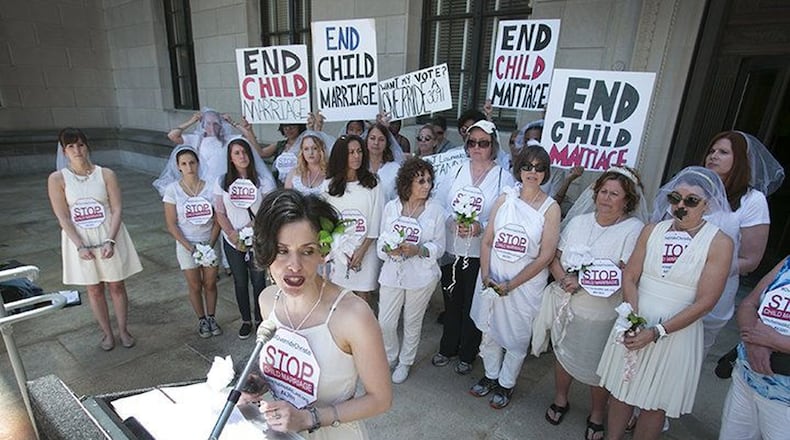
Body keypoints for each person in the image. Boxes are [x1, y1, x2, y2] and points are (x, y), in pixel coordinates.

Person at [596, 166, 734, 440]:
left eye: (691, 200)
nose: (680, 206)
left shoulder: (719, 242)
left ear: (707, 205)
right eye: (675, 198)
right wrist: (633, 318)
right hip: (637, 323)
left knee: (655, 402)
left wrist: (657, 331)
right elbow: (631, 275)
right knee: (621, 390)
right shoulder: (652, 230)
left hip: (676, 334)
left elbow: (706, 301)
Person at [253, 189, 392, 439]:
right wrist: (258, 383)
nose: (294, 265)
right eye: (282, 250)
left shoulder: (353, 316)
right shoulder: (267, 300)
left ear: (323, 252)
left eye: (307, 251)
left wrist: (309, 418)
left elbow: (380, 400)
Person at [533, 167, 646, 440]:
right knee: (564, 355)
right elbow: (555, 256)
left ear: (627, 200)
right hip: (569, 304)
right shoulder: (579, 222)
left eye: (614, 194)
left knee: (600, 366)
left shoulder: (634, 229)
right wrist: (563, 280)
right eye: (603, 192)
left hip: (604, 311)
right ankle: (561, 398)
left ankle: (597, 413)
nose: (606, 198)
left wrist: (582, 281)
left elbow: (627, 271)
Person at [468, 146, 560, 409]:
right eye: (527, 166)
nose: (532, 172)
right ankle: (490, 375)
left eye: (539, 167)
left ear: (546, 172)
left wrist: (511, 284)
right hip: (492, 278)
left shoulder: (550, 208)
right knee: (490, 331)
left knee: (517, 337)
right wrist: (487, 277)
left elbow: (546, 256)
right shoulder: (504, 199)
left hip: (524, 286)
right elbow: (487, 241)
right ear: (519, 169)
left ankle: (506, 384)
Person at [433, 119, 516, 375]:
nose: (477, 147)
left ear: (493, 146)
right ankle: (447, 347)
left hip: (481, 253)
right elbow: (439, 202)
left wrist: (481, 225)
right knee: (451, 300)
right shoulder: (455, 170)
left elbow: (508, 216)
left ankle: (468, 353)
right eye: (472, 142)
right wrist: (450, 220)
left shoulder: (505, 177)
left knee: (474, 304)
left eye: (484, 143)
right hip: (453, 249)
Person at [48, 127, 142, 351]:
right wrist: (79, 246)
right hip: (80, 237)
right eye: (70, 146)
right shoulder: (57, 179)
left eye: (80, 144)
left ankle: (123, 329)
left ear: (87, 146)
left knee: (117, 285)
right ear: (64, 151)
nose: (77, 150)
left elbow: (117, 208)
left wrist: (110, 240)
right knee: (94, 288)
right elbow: (62, 215)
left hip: (108, 233)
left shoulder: (106, 174)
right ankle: (107, 333)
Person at [701, 130, 785, 352]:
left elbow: (750, 259)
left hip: (714, 289)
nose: (714, 156)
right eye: (712, 151)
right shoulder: (695, 189)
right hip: (674, 284)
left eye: (723, 152)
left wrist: (708, 269)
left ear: (739, 160)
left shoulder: (752, 201)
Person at [377, 158, 446, 384]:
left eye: (429, 181)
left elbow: (440, 247)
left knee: (412, 321)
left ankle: (405, 361)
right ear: (407, 183)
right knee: (386, 322)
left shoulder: (435, 210)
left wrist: (420, 249)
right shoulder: (391, 208)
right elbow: (380, 245)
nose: (427, 185)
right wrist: (390, 250)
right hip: (392, 273)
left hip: (421, 276)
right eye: (421, 181)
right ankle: (389, 357)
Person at [718, 256, 790, 440]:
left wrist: (775, 341)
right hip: (746, 378)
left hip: (784, 399)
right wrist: (754, 343)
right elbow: (749, 303)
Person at [213, 138, 276, 339]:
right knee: (240, 281)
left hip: (257, 238)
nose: (242, 156)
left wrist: (251, 229)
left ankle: (260, 319)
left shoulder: (262, 182)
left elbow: (268, 211)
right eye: (237, 153)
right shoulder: (222, 182)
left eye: (245, 152)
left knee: (258, 281)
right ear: (230, 158)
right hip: (232, 241)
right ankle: (246, 320)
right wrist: (233, 234)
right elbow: (220, 212)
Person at [161, 146, 222, 338]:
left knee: (210, 283)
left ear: (198, 164)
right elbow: (171, 224)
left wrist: (210, 244)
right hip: (186, 244)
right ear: (178, 167)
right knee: (195, 285)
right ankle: (201, 319)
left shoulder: (210, 187)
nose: (189, 167)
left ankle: (212, 316)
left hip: (209, 241)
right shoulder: (173, 190)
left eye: (192, 163)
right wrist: (191, 247)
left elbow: (218, 219)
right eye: (184, 164)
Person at [322, 135, 383, 307]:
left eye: (359, 151)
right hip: (340, 252)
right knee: (340, 297)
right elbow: (326, 221)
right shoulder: (329, 185)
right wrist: (339, 249)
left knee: (363, 297)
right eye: (351, 152)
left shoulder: (373, 183)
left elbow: (376, 220)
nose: (357, 156)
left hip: (366, 249)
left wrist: (362, 251)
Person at [165, 108, 260, 185]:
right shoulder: (196, 139)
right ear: (203, 125)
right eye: (208, 124)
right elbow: (172, 135)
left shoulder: (228, 139)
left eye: (215, 124)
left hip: (226, 182)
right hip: (204, 183)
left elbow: (249, 136)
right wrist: (192, 121)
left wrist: (232, 122)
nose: (212, 127)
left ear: (220, 125)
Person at [284, 131, 332, 196]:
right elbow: (287, 197)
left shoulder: (330, 173)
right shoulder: (294, 173)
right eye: (306, 149)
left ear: (321, 150)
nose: (310, 153)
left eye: (315, 148)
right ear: (302, 152)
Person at [366, 122, 403, 202]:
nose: (376, 143)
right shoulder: (360, 166)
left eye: (381, 139)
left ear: (386, 143)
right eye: (372, 138)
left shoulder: (395, 168)